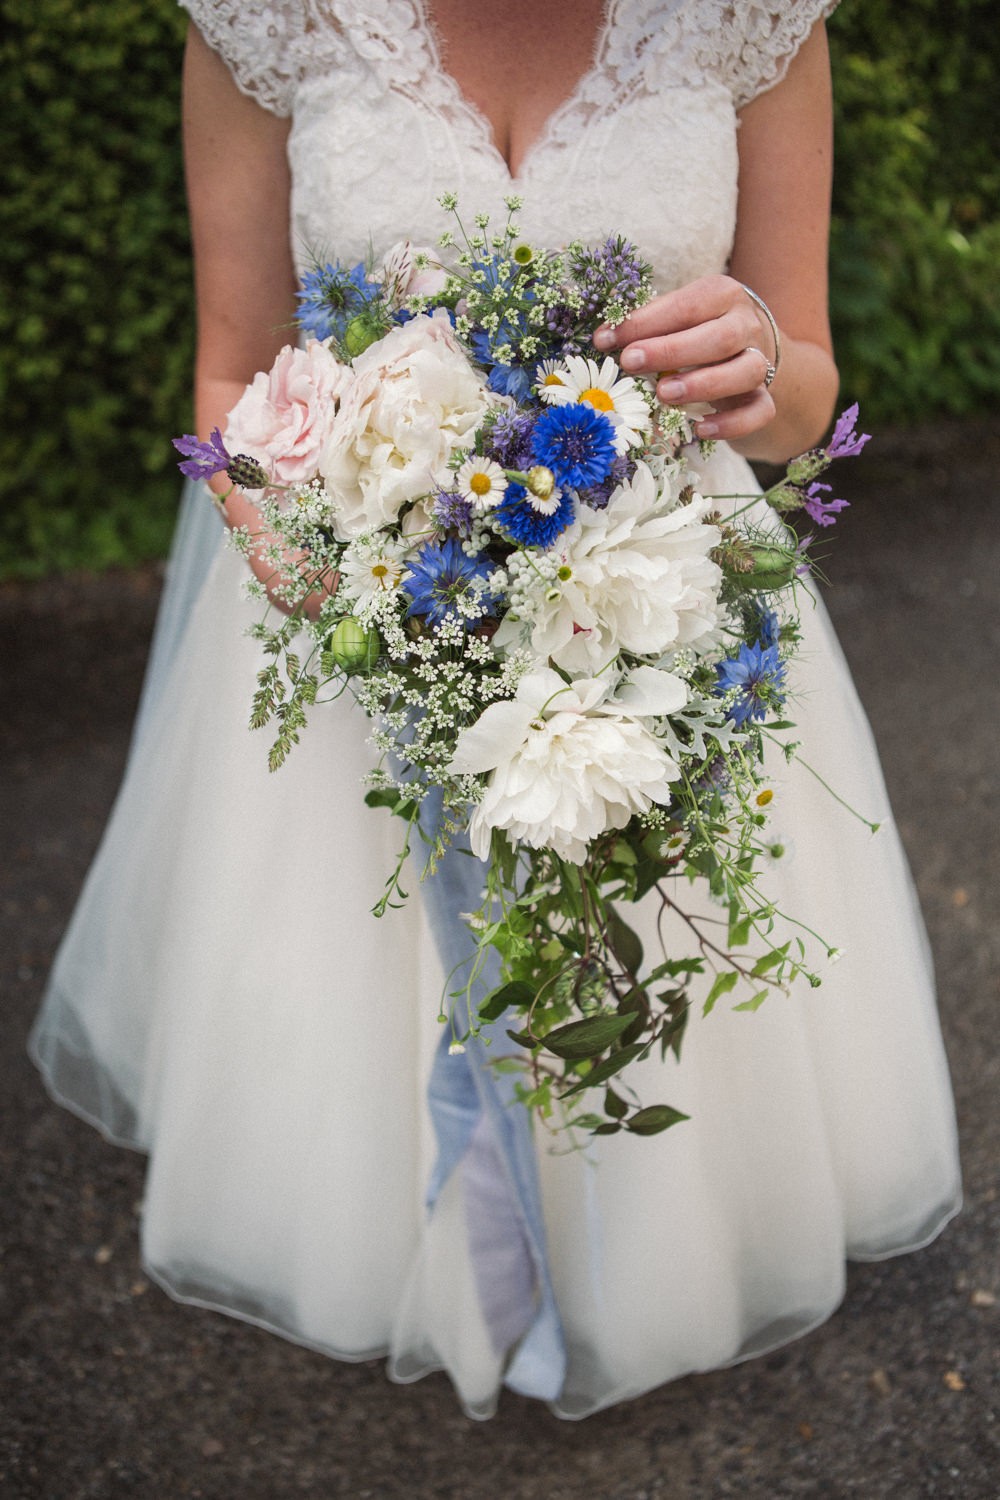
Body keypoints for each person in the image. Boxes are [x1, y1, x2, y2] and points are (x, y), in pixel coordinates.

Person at [31, 0, 961, 1420]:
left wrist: (763, 366)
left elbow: (809, 385)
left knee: (649, 941)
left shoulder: (752, 18)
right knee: (366, 952)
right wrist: (290, 532)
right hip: (359, 603)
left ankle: (646, 1255)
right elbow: (233, 373)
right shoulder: (266, 20)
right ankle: (420, 1247)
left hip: (659, 604)